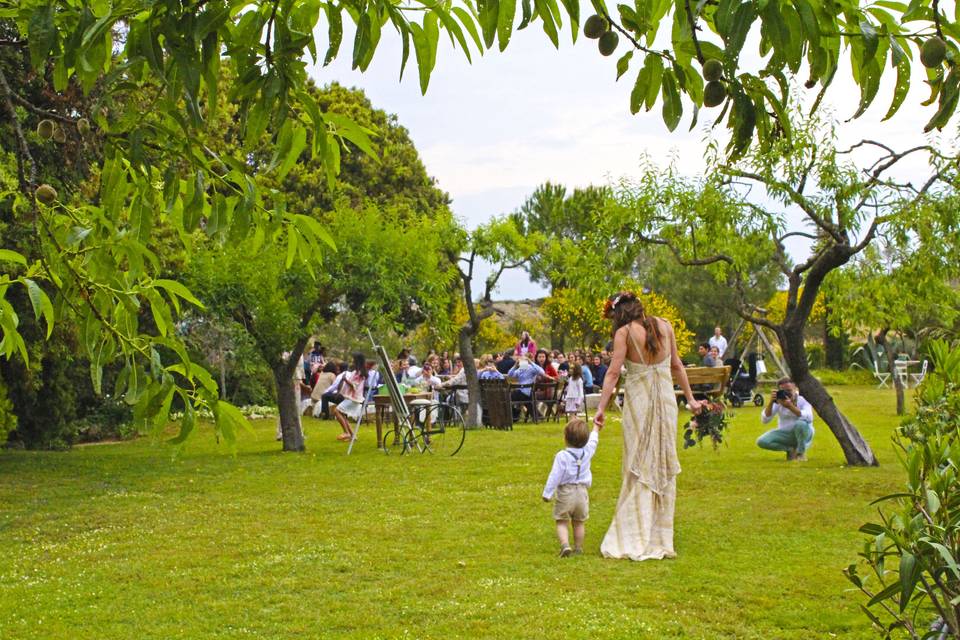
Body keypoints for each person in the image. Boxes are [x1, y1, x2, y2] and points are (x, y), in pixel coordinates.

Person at [593, 291, 703, 561]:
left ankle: (636, 530)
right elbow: (677, 365)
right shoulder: (666, 325)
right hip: (666, 403)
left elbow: (613, 372)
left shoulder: (624, 334)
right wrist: (690, 399)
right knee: (661, 458)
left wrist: (600, 408)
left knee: (639, 461)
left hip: (640, 405)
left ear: (619, 313)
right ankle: (660, 535)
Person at [542, 418, 600, 557]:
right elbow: (593, 442)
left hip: (566, 493)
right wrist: (596, 428)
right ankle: (578, 548)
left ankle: (565, 545)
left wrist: (547, 493)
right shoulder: (587, 452)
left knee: (562, 521)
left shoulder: (562, 456)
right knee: (579, 522)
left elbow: (554, 476)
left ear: (565, 438)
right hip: (582, 493)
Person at [757, 377, 815, 461]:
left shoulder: (803, 398)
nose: (787, 394)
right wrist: (771, 402)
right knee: (762, 441)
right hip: (785, 434)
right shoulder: (779, 400)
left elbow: (809, 417)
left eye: (789, 390)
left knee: (801, 424)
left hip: (805, 432)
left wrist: (791, 407)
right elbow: (765, 420)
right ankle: (790, 449)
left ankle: (800, 453)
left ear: (795, 387)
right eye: (784, 391)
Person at [331, 353, 367, 442]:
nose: (352, 361)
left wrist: (345, 380)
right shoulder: (357, 372)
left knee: (336, 411)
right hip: (352, 397)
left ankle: (346, 432)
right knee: (342, 415)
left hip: (354, 398)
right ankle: (353, 435)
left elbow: (354, 386)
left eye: (354, 360)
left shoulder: (359, 373)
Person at [507, 356, 545, 421]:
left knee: (507, 397)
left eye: (524, 361)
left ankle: (513, 417)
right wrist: (515, 365)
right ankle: (538, 417)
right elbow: (510, 374)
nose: (522, 363)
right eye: (521, 361)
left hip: (525, 392)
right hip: (527, 393)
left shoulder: (531, 369)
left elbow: (542, 372)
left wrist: (531, 362)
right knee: (528, 402)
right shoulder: (520, 370)